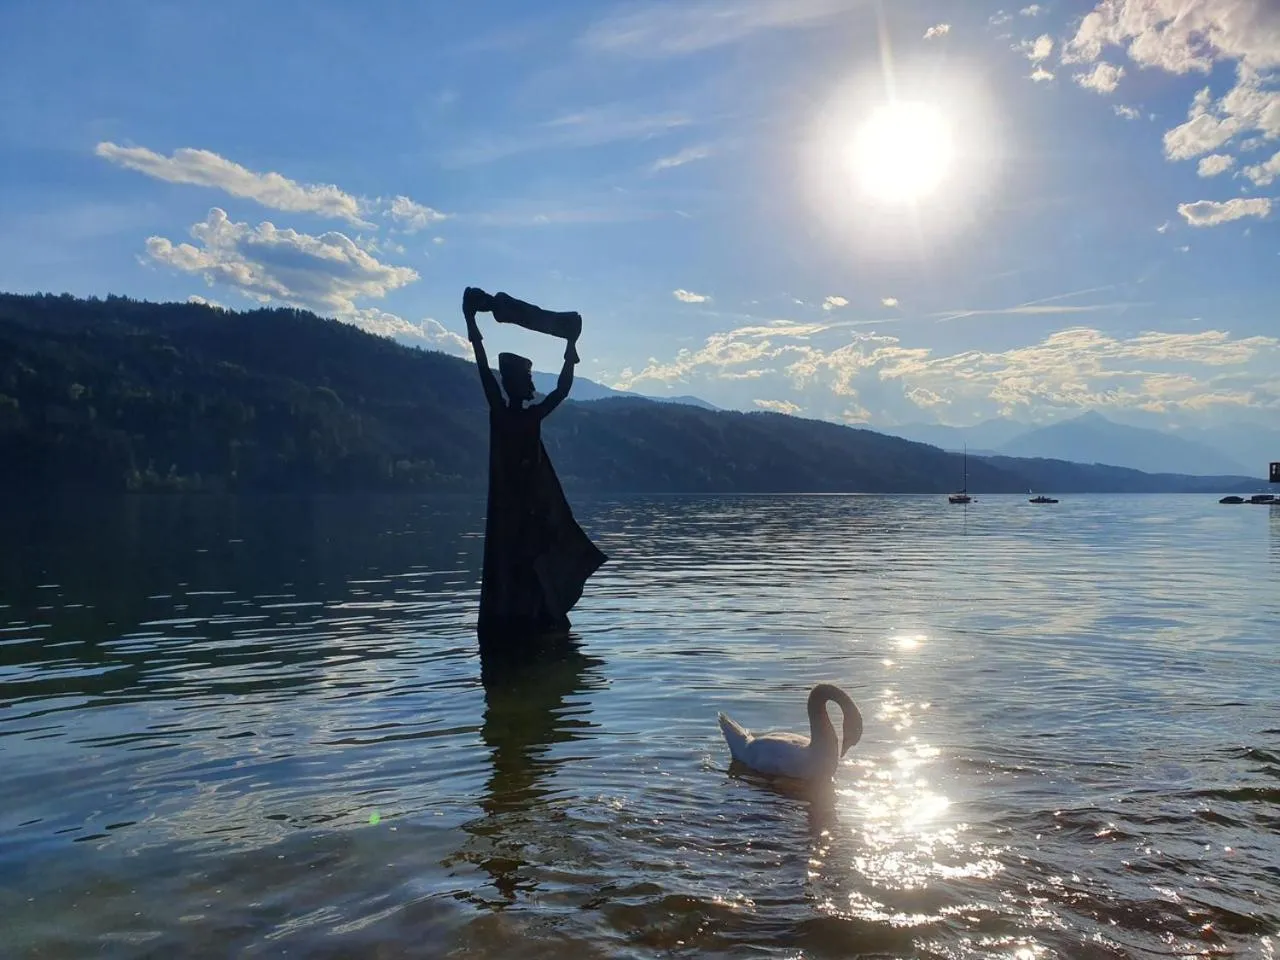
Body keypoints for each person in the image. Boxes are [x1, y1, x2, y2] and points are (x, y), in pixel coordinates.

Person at [463, 288, 607, 649]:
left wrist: (569, 353)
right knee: (526, 566)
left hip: (526, 511)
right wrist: (472, 327)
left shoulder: (522, 417)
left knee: (531, 567)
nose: (531, 384)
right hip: (520, 512)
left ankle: (535, 618)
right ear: (515, 383)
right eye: (527, 378)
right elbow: (487, 371)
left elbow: (558, 392)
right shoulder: (510, 415)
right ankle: (530, 621)